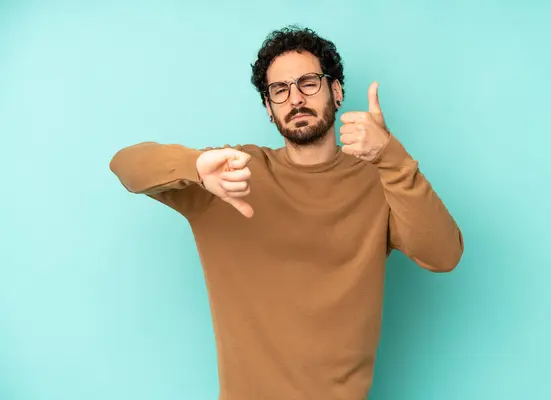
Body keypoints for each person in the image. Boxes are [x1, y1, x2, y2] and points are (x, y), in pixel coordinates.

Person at [110, 25, 464, 400]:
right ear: (268, 107)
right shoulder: (231, 174)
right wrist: (194, 166)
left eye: (308, 82)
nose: (295, 98)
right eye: (279, 90)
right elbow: (125, 165)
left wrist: (391, 156)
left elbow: (444, 254)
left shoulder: (380, 180)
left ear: (337, 91)